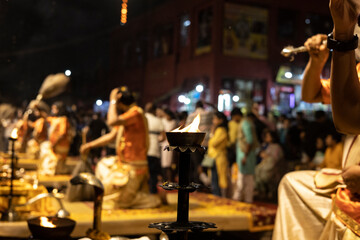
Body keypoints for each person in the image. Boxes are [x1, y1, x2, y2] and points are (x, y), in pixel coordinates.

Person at [273, 1, 360, 238]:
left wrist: (342, 35)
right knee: (292, 184)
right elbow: (310, 94)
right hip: (351, 185)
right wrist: (318, 60)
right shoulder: (358, 71)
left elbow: (349, 119)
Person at [80, 87, 161, 209]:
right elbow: (111, 136)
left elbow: (112, 121)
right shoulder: (127, 117)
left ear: (120, 104)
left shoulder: (136, 113)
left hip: (134, 168)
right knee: (102, 166)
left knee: (118, 203)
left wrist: (112, 100)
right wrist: (89, 145)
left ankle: (154, 199)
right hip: (123, 165)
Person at [232, 112, 259, 203]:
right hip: (246, 155)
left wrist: (245, 156)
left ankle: (241, 199)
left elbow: (249, 140)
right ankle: (246, 200)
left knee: (244, 179)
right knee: (247, 179)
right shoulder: (246, 123)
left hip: (246, 156)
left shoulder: (245, 123)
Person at [144, 102, 165, 195]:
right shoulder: (158, 120)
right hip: (154, 149)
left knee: (142, 172)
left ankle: (143, 191)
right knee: (153, 173)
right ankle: (153, 191)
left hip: (142, 149)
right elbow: (163, 137)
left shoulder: (142, 118)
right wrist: (156, 140)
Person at [207, 111, 229, 197]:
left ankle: (218, 197)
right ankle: (217, 196)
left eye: (215, 119)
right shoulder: (219, 130)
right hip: (214, 157)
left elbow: (213, 143)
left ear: (221, 120)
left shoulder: (221, 130)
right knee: (214, 179)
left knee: (217, 180)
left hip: (218, 157)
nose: (213, 121)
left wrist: (212, 134)